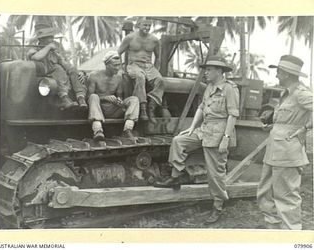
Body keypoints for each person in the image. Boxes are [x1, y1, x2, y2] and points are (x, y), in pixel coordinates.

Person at [154, 55, 240, 224]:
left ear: (219, 71)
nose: (205, 73)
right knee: (179, 141)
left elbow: (233, 115)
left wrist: (226, 138)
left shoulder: (229, 89)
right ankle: (175, 177)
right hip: (204, 129)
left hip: (219, 132)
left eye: (208, 70)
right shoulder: (209, 87)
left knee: (215, 173)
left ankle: (218, 206)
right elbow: (201, 108)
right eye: (205, 69)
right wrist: (192, 127)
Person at [257, 55, 313, 230]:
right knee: (265, 193)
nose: (276, 75)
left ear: (288, 74)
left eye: (279, 72)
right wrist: (273, 125)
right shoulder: (285, 94)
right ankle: (274, 232)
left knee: (286, 197)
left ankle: (291, 238)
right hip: (274, 150)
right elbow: (288, 121)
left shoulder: (301, 93)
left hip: (288, 152)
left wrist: (305, 128)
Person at [27, 23, 87, 110]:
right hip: (44, 78)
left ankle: (81, 97)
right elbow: (36, 57)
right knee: (58, 69)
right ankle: (64, 98)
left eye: (52, 37)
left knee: (73, 70)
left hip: (57, 76)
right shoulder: (33, 50)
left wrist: (78, 72)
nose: (52, 39)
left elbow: (66, 65)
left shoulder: (54, 54)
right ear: (41, 39)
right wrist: (49, 47)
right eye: (49, 37)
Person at [118, 18, 165, 124]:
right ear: (138, 25)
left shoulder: (154, 40)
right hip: (134, 65)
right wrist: (121, 68)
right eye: (145, 25)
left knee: (160, 80)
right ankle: (143, 109)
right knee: (140, 77)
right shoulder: (130, 38)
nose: (147, 28)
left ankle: (151, 107)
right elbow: (118, 53)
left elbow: (158, 58)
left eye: (149, 26)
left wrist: (156, 70)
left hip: (149, 66)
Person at [87, 51, 140, 141]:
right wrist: (104, 97)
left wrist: (119, 101)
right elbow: (88, 98)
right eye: (114, 65)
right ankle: (98, 130)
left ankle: (127, 129)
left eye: (119, 65)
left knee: (134, 99)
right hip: (99, 109)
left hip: (113, 109)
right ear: (107, 65)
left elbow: (120, 96)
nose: (118, 68)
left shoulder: (118, 77)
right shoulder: (94, 76)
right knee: (93, 96)